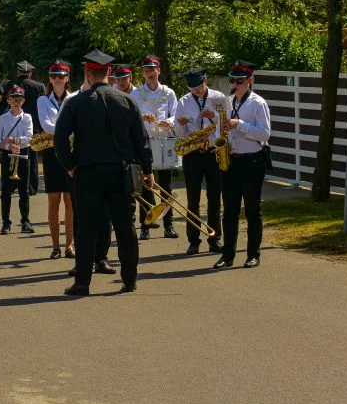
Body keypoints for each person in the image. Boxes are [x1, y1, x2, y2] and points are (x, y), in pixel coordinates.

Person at [54, 50, 151, 296]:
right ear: (109, 73)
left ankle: (82, 283)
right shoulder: (127, 101)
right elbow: (141, 139)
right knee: (125, 227)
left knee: (86, 227)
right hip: (121, 172)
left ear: (88, 73)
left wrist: (70, 165)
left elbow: (59, 139)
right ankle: (130, 280)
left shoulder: (75, 102)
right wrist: (147, 170)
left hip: (87, 173)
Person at [215, 60, 271, 270]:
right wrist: (221, 144)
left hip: (252, 161)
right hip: (232, 160)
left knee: (252, 210)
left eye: (239, 81)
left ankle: (253, 255)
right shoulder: (228, 102)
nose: (235, 84)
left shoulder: (258, 103)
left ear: (250, 81)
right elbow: (220, 129)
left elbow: (265, 134)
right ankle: (227, 255)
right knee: (229, 210)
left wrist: (241, 125)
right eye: (232, 80)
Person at [174, 67, 226, 255]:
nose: (196, 91)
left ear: (206, 81)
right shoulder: (183, 101)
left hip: (213, 151)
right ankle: (193, 241)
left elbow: (227, 122)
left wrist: (215, 117)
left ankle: (215, 239)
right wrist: (181, 124)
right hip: (193, 153)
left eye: (198, 87)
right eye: (192, 88)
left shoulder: (218, 97)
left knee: (214, 198)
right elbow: (178, 133)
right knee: (193, 199)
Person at [129, 55, 178, 240]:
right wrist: (143, 117)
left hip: (164, 140)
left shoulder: (168, 92)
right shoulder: (135, 94)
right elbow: (132, 117)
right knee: (144, 186)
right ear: (142, 73)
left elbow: (175, 114)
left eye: (153, 70)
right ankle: (146, 225)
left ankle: (169, 225)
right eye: (146, 70)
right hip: (145, 142)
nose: (150, 73)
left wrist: (169, 122)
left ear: (159, 71)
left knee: (166, 186)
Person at [36, 60, 75, 259]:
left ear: (67, 78)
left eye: (61, 76)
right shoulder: (42, 101)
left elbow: (69, 126)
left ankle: (69, 245)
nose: (58, 79)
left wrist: (61, 128)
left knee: (70, 200)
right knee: (53, 200)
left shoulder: (75, 98)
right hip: (52, 153)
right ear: (50, 79)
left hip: (70, 152)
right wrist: (66, 128)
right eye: (54, 76)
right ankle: (55, 246)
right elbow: (46, 126)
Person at [0, 61, 45, 196]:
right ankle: (30, 187)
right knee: (32, 159)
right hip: (33, 126)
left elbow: (3, 106)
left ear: (18, 72)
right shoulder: (39, 86)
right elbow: (41, 109)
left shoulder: (9, 85)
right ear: (30, 73)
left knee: (12, 155)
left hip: (12, 126)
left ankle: (12, 185)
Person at [0, 86, 34, 235]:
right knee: (6, 190)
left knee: (24, 190)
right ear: (8, 101)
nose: (16, 102)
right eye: (13, 99)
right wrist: (10, 146)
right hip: (8, 155)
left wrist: (13, 140)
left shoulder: (28, 118)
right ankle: (6, 223)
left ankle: (25, 221)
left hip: (23, 154)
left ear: (23, 101)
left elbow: (29, 138)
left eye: (19, 99)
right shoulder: (3, 118)